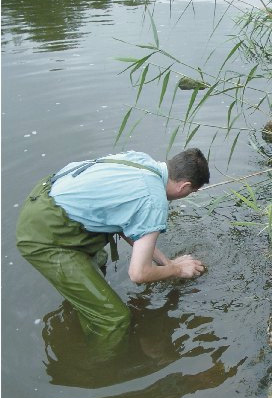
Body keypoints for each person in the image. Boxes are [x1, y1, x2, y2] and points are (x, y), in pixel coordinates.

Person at [16, 148, 209, 350]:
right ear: (185, 186)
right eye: (191, 192)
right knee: (114, 318)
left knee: (98, 261)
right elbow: (139, 273)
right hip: (45, 235)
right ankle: (94, 369)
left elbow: (128, 223)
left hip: (44, 200)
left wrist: (166, 264)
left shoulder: (141, 161)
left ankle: (84, 307)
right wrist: (178, 270)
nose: (187, 195)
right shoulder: (154, 201)